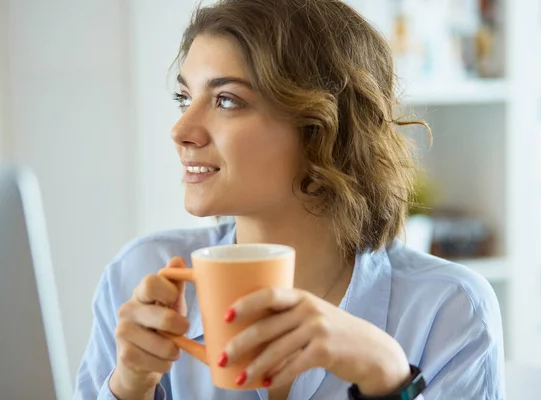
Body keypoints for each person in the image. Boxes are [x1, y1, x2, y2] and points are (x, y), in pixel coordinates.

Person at [73, 0, 505, 399]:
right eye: (184, 97)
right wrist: (128, 387)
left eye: (226, 100)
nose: (181, 130)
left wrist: (388, 377)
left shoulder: (449, 309)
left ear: (322, 127)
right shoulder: (142, 276)